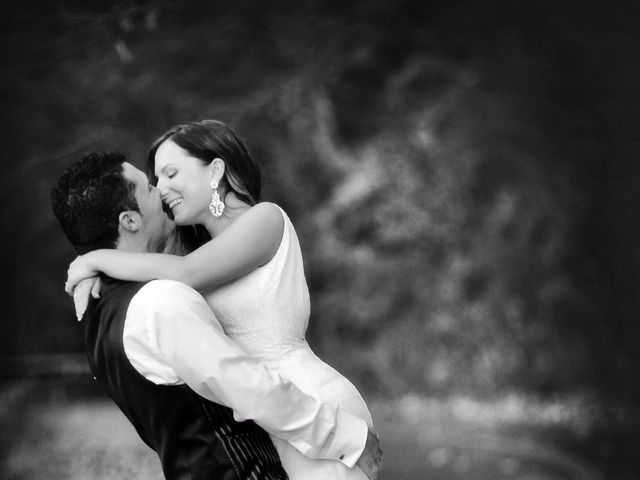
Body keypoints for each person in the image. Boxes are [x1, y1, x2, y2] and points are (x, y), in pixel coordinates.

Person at [65, 120, 378, 480]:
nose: (161, 188)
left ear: (215, 170)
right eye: (155, 180)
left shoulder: (264, 219)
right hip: (264, 422)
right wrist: (95, 274)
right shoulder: (188, 250)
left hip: (311, 403)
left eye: (170, 173)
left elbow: (187, 273)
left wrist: (93, 258)